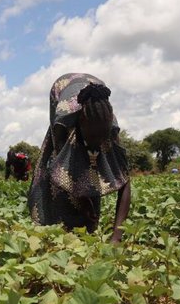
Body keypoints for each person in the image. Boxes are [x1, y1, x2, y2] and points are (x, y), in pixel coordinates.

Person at [28, 73, 131, 243]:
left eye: (101, 138)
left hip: (95, 96)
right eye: (92, 138)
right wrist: (83, 202)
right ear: (80, 123)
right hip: (61, 89)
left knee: (93, 171)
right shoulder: (64, 121)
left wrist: (116, 237)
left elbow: (125, 180)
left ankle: (89, 223)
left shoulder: (109, 127)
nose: (96, 145)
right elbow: (63, 168)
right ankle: (55, 224)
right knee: (60, 176)